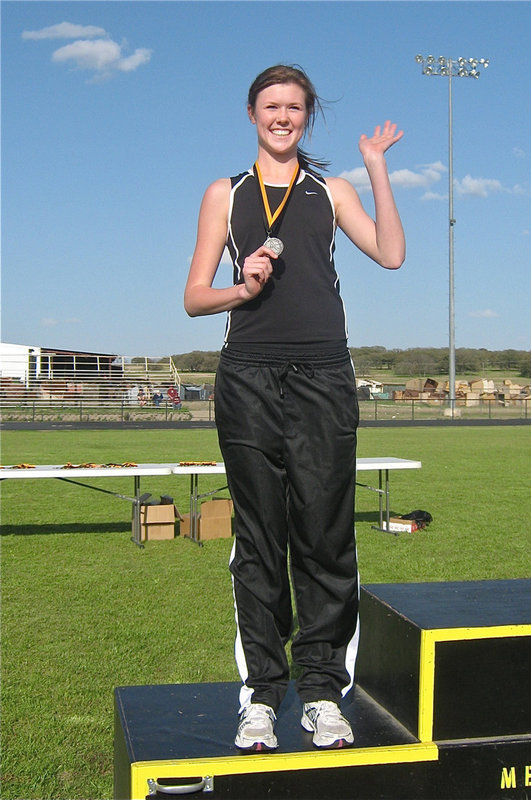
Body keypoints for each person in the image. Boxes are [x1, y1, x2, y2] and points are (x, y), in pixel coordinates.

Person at [184, 64, 405, 752]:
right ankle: (259, 697)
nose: (283, 117)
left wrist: (373, 168)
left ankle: (320, 693)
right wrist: (239, 290)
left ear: (307, 117)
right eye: (271, 106)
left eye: (295, 108)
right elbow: (194, 297)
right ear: (251, 113)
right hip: (247, 374)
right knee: (259, 538)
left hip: (323, 375)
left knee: (325, 535)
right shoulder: (225, 192)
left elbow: (391, 255)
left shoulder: (327, 189)